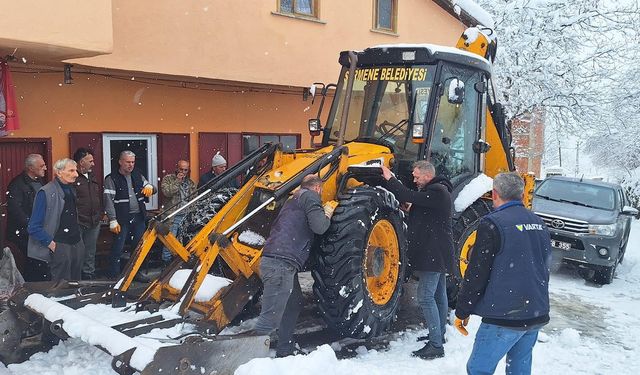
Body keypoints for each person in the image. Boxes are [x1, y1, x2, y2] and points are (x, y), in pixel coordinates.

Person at [454, 172, 551, 375]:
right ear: (522, 195)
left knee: (479, 369)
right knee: (518, 369)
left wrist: (463, 310)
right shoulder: (539, 223)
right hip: (535, 312)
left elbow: (477, 273)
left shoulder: (492, 224)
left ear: (495, 194)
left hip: (504, 315)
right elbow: (542, 267)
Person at [252, 174, 336, 357]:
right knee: (271, 316)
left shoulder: (293, 199)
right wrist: (327, 212)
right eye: (321, 190)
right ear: (317, 188)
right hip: (280, 263)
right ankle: (249, 359)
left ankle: (285, 349)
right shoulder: (311, 197)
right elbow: (320, 227)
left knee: (294, 302)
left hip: (276, 260)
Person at [380, 161, 454, 360]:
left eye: (416, 176)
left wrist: (391, 179)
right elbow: (424, 211)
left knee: (425, 297)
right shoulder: (438, 191)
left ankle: (436, 346)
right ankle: (439, 335)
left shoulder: (437, 190)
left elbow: (408, 195)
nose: (414, 179)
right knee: (439, 295)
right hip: (438, 252)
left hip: (433, 254)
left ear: (427, 175)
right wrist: (411, 209)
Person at [27, 158, 84, 282]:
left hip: (76, 242)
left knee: (75, 284)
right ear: (59, 172)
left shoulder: (71, 189)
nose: (76, 174)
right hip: (60, 244)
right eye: (71, 170)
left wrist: (79, 243)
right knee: (61, 288)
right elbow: (33, 227)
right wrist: (53, 245)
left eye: (76, 170)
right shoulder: (45, 192)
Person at [103, 150, 157, 278]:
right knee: (118, 248)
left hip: (138, 217)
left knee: (138, 247)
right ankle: (114, 276)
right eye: (127, 162)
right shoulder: (111, 178)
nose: (130, 165)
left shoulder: (137, 175)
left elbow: (152, 189)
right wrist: (112, 219)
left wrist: (151, 187)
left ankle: (136, 273)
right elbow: (108, 200)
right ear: (120, 162)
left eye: (132, 162)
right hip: (121, 219)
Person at [6, 153, 48, 281]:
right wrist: (32, 225)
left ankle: (40, 288)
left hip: (38, 232)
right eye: (42, 165)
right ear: (31, 168)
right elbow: (15, 210)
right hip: (24, 234)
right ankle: (32, 290)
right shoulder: (17, 185)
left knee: (40, 263)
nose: (45, 168)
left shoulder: (40, 182)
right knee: (32, 264)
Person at [73, 148, 103, 280]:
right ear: (81, 162)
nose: (93, 164)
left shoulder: (92, 176)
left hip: (94, 220)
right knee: (77, 252)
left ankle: (88, 275)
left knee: (90, 251)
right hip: (78, 221)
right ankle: (76, 277)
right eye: (90, 161)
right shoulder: (73, 177)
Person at [160, 160, 196, 264]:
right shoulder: (168, 179)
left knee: (183, 240)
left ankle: (178, 262)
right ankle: (166, 262)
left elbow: (194, 199)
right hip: (173, 215)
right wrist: (177, 181)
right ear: (177, 168)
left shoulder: (190, 182)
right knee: (170, 240)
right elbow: (167, 193)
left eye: (185, 170)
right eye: (181, 169)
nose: (183, 172)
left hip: (186, 215)